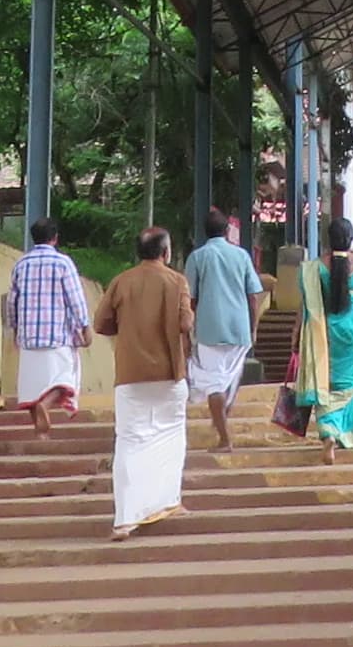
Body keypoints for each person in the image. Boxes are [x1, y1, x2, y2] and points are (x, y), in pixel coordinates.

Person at [91, 226, 196, 541]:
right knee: (170, 439)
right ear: (165, 252)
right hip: (169, 373)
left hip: (130, 374)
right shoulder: (177, 281)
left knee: (129, 442)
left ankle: (124, 518)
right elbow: (185, 323)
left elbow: (101, 324)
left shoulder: (122, 281)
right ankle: (167, 501)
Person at [295, 217, 353, 454]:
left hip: (323, 331)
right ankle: (340, 432)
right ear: (351, 238)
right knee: (349, 382)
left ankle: (330, 432)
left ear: (328, 239)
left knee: (328, 383)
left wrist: (297, 336)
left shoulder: (315, 268)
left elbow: (306, 306)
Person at [183, 209, 262, 449]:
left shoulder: (197, 257)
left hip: (210, 329)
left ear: (204, 232)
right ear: (228, 230)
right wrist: (254, 327)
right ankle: (221, 420)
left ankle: (224, 436)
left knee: (214, 383)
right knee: (229, 380)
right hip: (239, 329)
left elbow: (190, 298)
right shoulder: (241, 256)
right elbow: (253, 297)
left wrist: (188, 329)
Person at [5, 219, 89, 436]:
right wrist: (85, 325)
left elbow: (12, 301)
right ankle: (47, 404)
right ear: (55, 237)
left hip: (29, 337)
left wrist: (15, 329)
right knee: (66, 379)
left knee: (32, 385)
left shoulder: (21, 264)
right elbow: (75, 297)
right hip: (58, 335)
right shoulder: (63, 263)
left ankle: (40, 433)